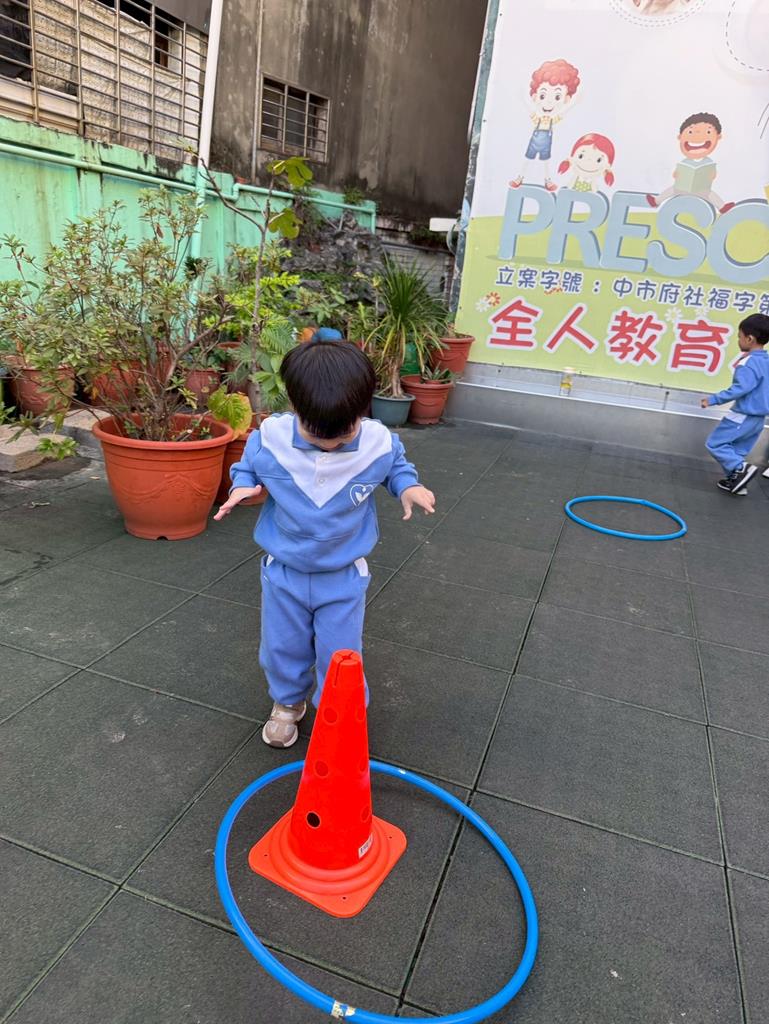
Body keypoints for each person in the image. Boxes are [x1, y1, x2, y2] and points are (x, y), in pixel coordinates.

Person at [214, 338, 436, 747]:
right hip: (285, 571)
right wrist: (242, 485)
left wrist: (408, 487)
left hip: (342, 575)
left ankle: (342, 712)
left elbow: (396, 466)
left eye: (344, 433)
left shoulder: (376, 442)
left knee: (341, 652)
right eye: (317, 433)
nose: (331, 444)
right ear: (295, 408)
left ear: (362, 411)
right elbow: (247, 466)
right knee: (281, 645)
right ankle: (287, 702)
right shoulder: (272, 438)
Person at [701, 313, 769, 494]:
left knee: (715, 444)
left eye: (739, 336)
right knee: (737, 450)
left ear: (749, 339)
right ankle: (737, 484)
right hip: (758, 419)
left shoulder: (748, 363)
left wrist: (713, 399)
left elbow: (740, 388)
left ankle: (741, 469)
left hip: (742, 415)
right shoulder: (766, 361)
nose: (738, 340)